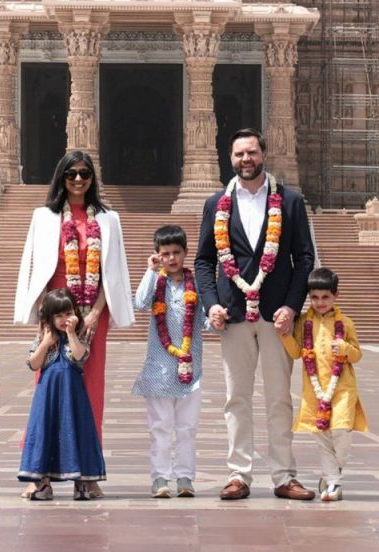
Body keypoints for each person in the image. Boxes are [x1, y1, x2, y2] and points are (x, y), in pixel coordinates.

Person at [194, 128, 317, 500]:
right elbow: (204, 261)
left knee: (279, 397)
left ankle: (284, 476)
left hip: (276, 313)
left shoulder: (289, 202)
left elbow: (304, 258)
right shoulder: (217, 204)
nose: (245, 159)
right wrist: (211, 303)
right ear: (230, 158)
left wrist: (292, 306)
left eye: (251, 152)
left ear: (264, 154)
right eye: (239, 154)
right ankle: (239, 474)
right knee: (236, 397)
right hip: (232, 313)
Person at [14, 150, 135, 498]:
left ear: (93, 178)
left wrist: (95, 314)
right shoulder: (44, 217)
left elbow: (113, 273)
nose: (78, 180)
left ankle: (86, 473)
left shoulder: (108, 219)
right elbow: (37, 269)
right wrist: (45, 321)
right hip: (56, 315)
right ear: (61, 178)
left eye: (84, 173)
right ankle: (40, 473)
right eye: (71, 174)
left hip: (93, 315)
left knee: (91, 393)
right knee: (48, 390)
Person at [278, 268, 367, 501]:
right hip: (314, 391)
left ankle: (333, 472)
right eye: (315, 297)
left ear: (336, 295)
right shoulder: (303, 322)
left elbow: (357, 354)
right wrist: (284, 335)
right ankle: (333, 483)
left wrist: (345, 349)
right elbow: (296, 352)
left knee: (341, 432)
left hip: (343, 389)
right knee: (322, 437)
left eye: (325, 297)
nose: (320, 302)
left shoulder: (345, 323)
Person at [132, 225, 208, 498]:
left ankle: (185, 477)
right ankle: (160, 477)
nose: (171, 258)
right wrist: (150, 271)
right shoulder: (156, 283)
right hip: (159, 368)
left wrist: (219, 318)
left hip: (190, 368)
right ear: (158, 255)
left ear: (186, 253)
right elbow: (140, 303)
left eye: (176, 252)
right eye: (165, 253)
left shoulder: (196, 285)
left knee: (187, 428)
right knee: (160, 427)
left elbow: (207, 320)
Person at [18, 288, 105, 501]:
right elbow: (33, 364)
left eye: (68, 313)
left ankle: (81, 481)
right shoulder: (43, 336)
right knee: (45, 432)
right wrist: (46, 343)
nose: (65, 319)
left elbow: (80, 356)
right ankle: (43, 483)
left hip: (72, 396)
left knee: (76, 431)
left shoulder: (81, 333)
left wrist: (72, 333)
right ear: (49, 317)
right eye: (59, 315)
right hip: (47, 396)